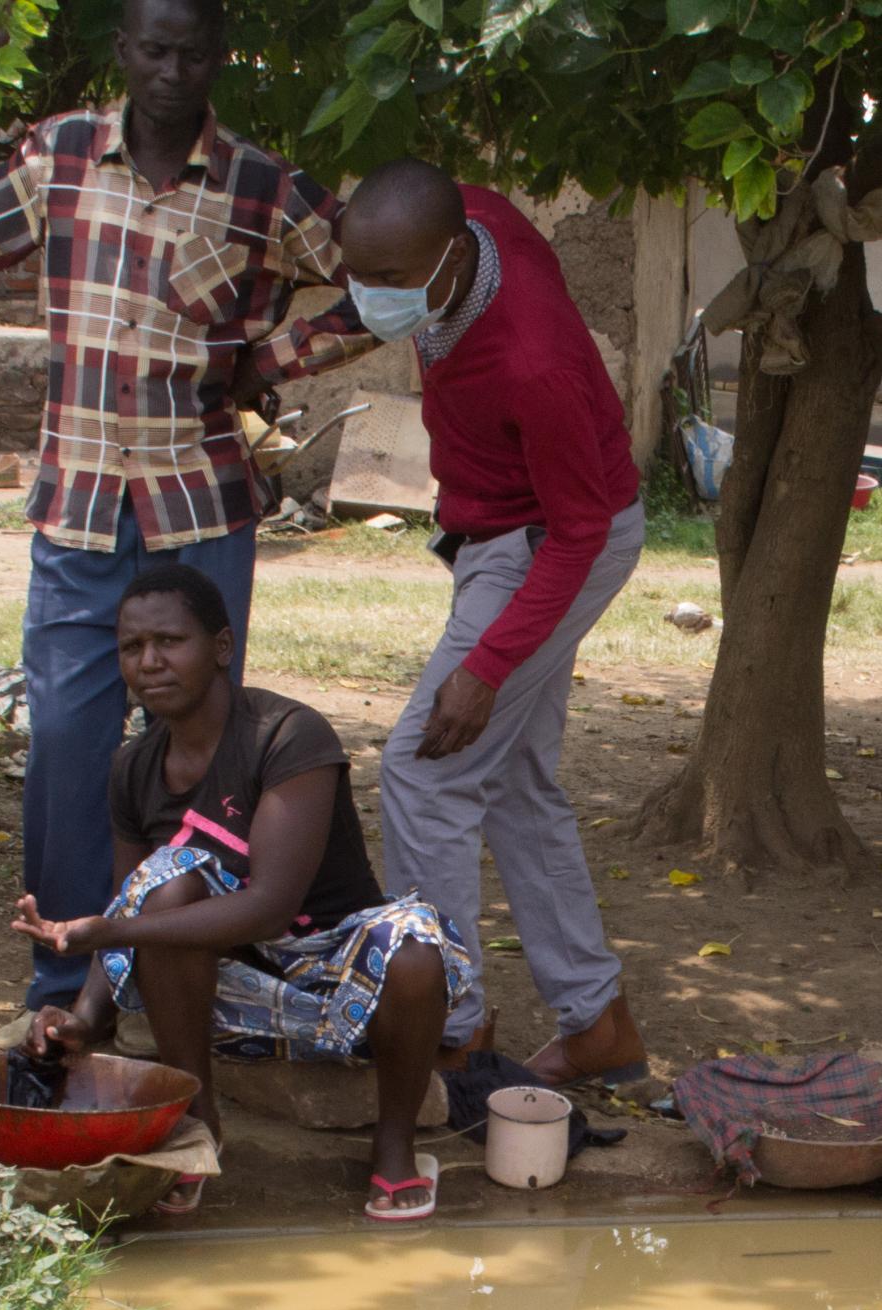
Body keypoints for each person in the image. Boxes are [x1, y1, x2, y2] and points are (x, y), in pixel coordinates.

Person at [0, 0, 374, 1010]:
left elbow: (378, 278)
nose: (171, 71)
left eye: (192, 53)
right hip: (78, 503)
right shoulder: (62, 152)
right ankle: (63, 987)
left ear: (217, 61)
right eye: (153, 51)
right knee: (69, 751)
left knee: (200, 758)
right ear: (123, 53)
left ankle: (179, 971)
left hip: (201, 506)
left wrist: (273, 357)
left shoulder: (261, 185)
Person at [11, 566, 473, 1221]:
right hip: (222, 992)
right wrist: (82, 1017)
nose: (148, 662)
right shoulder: (133, 766)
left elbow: (271, 905)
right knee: (166, 885)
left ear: (221, 648)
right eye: (130, 647)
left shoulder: (285, 735)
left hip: (334, 973)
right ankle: (199, 1126)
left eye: (169, 641)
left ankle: (392, 1144)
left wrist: (111, 931)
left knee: (416, 950)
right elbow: (131, 898)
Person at [333, 159, 649, 1087]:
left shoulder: (533, 358)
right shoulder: (468, 220)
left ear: (447, 258)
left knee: (423, 769)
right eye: (361, 274)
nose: (370, 298)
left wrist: (489, 664)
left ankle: (449, 1022)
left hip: (551, 539)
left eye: (390, 282)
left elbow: (582, 529)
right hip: (495, 529)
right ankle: (599, 1023)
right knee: (509, 778)